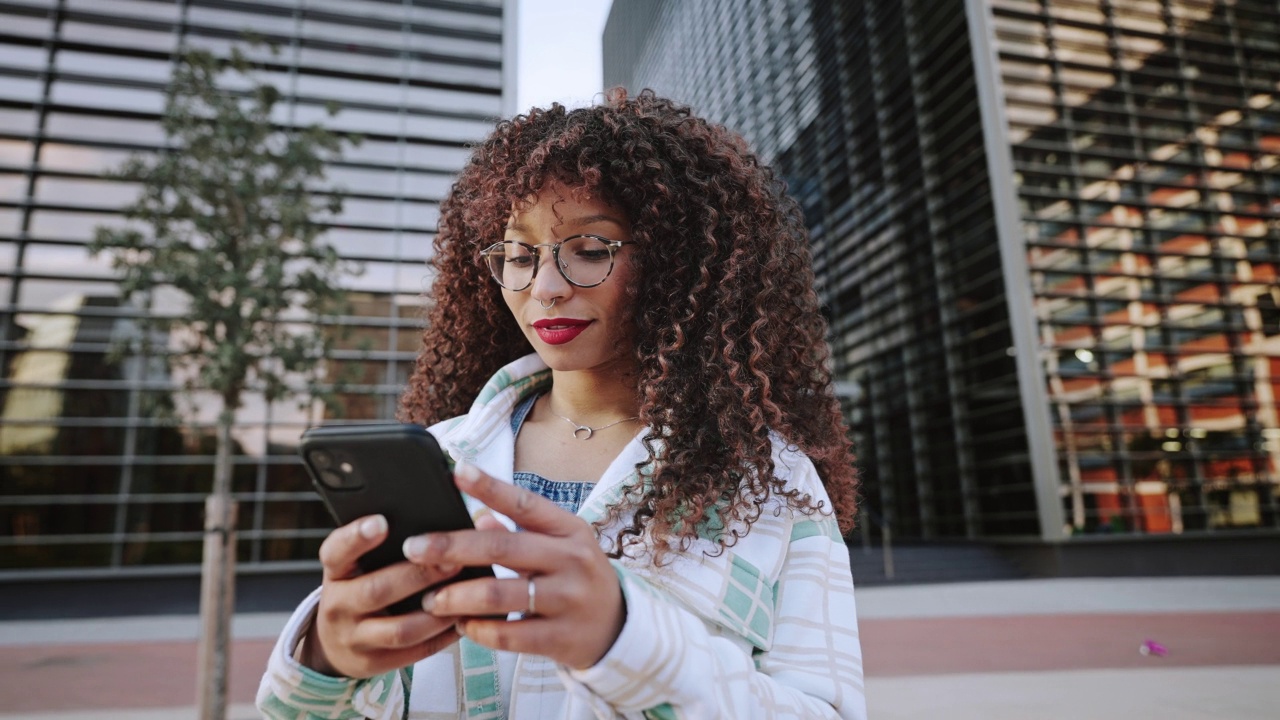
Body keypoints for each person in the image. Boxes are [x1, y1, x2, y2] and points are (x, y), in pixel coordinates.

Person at [257, 90, 866, 719]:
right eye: (519, 255)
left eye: (591, 250)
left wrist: (626, 640)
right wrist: (328, 660)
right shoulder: (438, 458)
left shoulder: (771, 482)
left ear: (678, 263)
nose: (544, 288)